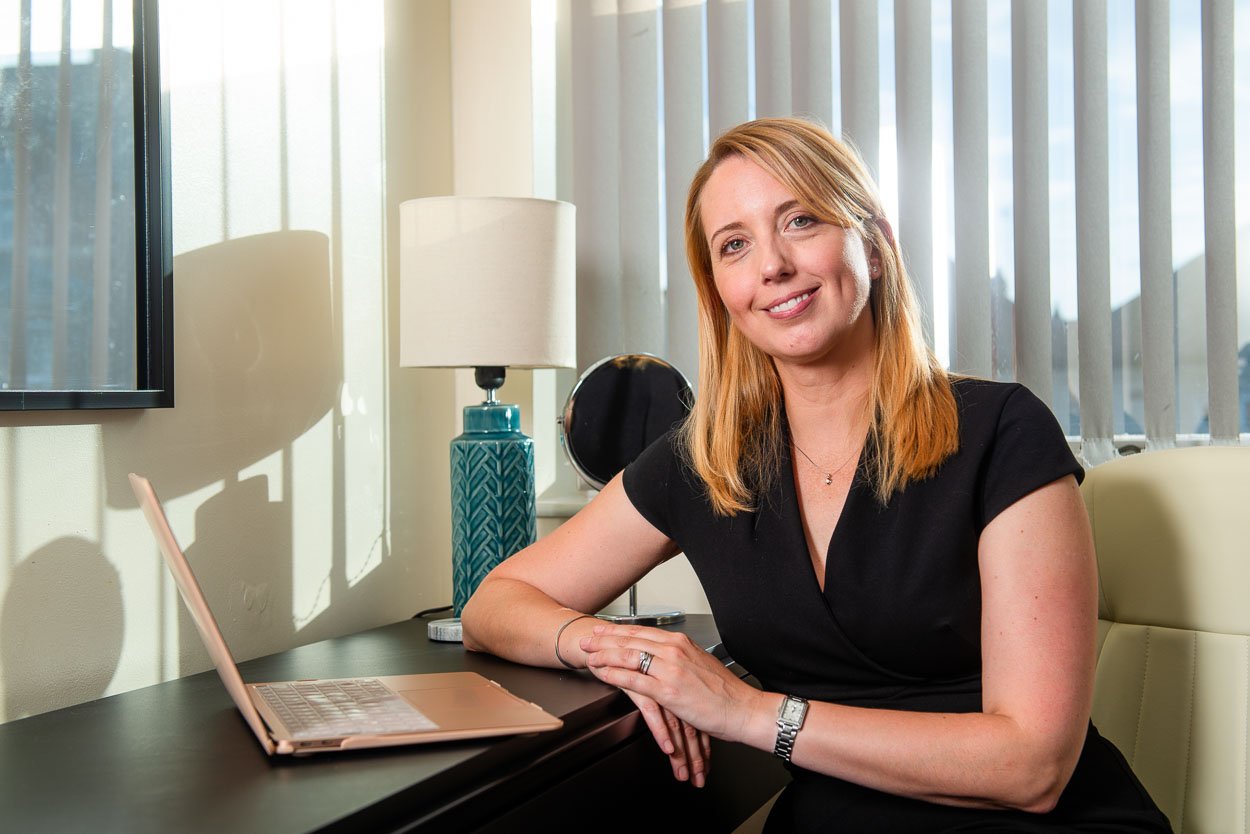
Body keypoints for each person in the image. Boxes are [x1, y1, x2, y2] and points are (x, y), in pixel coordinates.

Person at [460, 116, 1171, 832]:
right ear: (722, 296)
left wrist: (743, 712)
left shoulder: (1002, 431)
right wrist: (619, 652)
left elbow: (1033, 766)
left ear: (875, 247)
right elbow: (494, 603)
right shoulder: (705, 461)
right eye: (734, 245)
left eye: (800, 220)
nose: (771, 265)